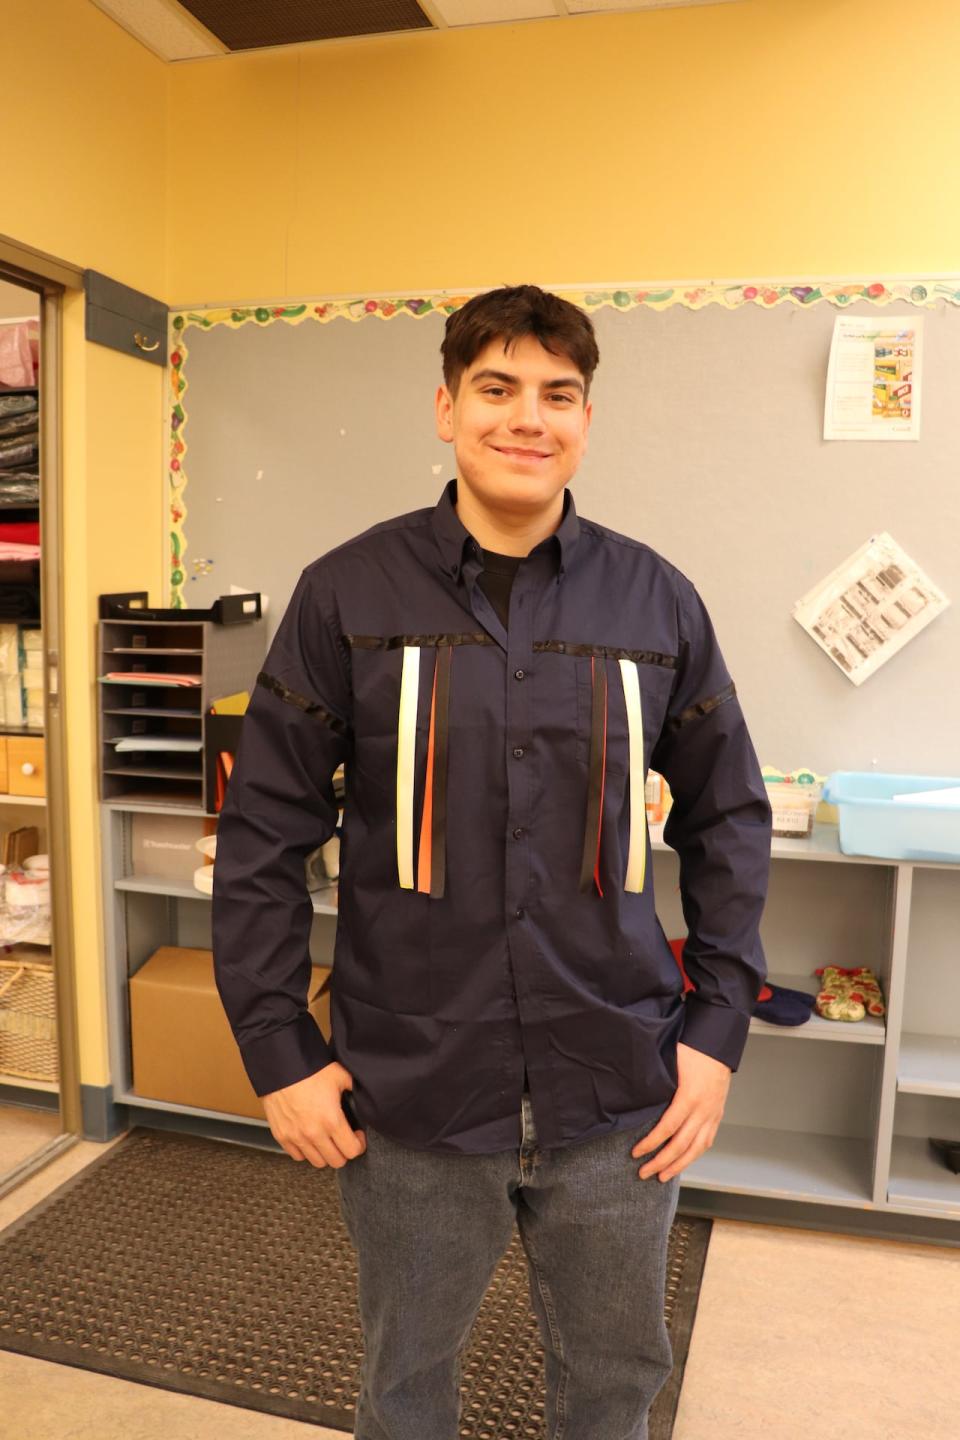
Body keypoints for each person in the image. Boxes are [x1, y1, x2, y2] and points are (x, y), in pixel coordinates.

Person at [212, 284, 771, 1440]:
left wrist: (717, 1033)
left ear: (587, 417)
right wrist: (278, 1052)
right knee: (406, 1383)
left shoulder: (654, 600)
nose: (528, 418)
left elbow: (730, 814)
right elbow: (265, 832)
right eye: (497, 388)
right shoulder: (347, 594)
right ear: (445, 406)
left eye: (558, 394)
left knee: (618, 1376)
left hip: (621, 1087)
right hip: (410, 1088)